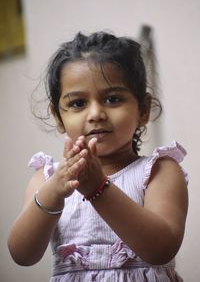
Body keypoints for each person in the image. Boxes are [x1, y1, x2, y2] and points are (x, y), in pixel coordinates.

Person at [8, 31, 188, 281]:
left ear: (143, 110)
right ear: (59, 117)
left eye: (113, 99)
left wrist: (97, 188)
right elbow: (22, 254)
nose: (95, 114)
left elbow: (161, 249)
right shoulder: (47, 178)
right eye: (78, 103)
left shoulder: (159, 171)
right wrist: (54, 192)